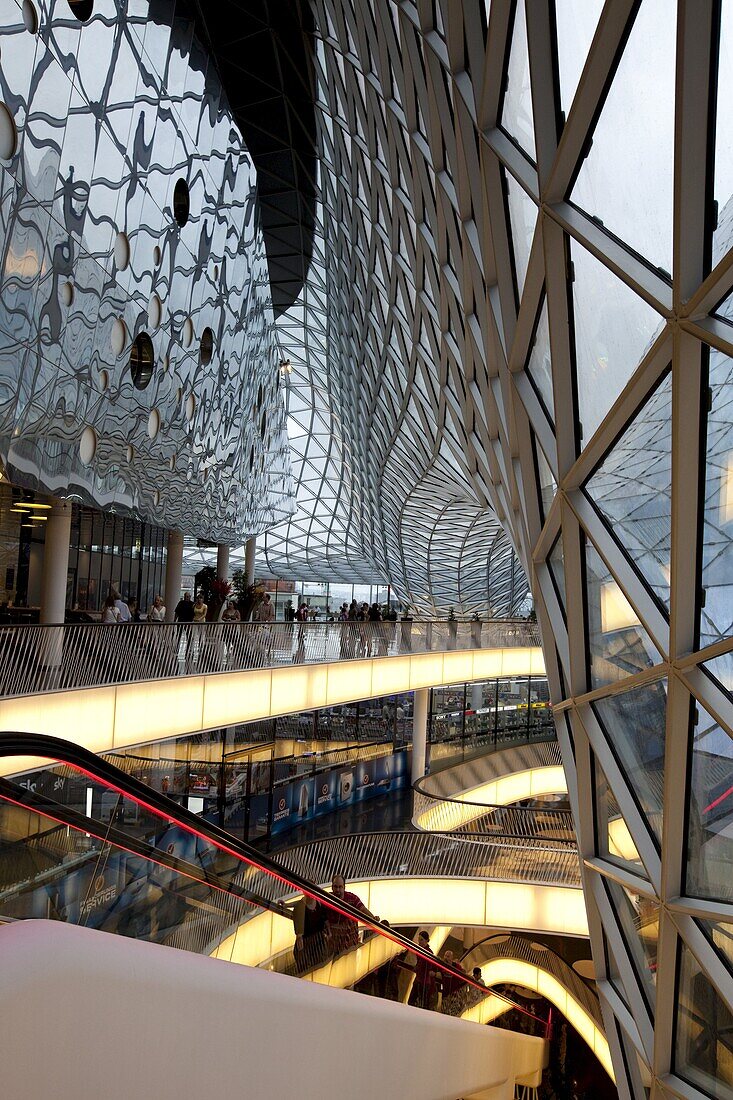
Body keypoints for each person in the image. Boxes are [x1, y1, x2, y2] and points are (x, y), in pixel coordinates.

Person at [325, 874, 379, 955]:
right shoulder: (327, 899)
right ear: (332, 887)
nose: (338, 890)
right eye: (335, 887)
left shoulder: (352, 898)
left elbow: (362, 909)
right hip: (334, 941)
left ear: (344, 887)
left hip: (349, 939)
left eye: (340, 887)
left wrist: (373, 918)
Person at [292, 894, 327, 972]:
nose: (311, 896)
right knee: (305, 969)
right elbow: (299, 934)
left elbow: (325, 920)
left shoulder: (318, 903)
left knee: (318, 968)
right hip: (306, 944)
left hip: (318, 943)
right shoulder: (301, 906)